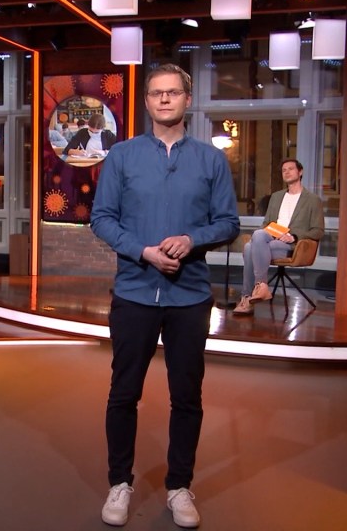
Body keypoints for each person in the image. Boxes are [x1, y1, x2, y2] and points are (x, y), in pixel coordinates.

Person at [90, 64, 239, 528]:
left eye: (173, 92)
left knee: (187, 397)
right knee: (123, 394)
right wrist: (144, 252)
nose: (165, 99)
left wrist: (192, 240)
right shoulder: (122, 156)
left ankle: (179, 486)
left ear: (187, 100)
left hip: (189, 296)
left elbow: (228, 222)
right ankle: (119, 482)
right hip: (135, 291)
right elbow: (102, 218)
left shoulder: (211, 160)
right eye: (157, 93)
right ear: (147, 101)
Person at [233, 159, 325, 315]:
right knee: (257, 237)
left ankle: (248, 298)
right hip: (270, 238)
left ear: (300, 172)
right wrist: (268, 233)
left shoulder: (312, 200)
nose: (287, 172)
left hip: (290, 245)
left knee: (249, 248)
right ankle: (260, 287)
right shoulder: (276, 197)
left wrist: (294, 237)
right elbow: (266, 223)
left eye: (290, 169)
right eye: (284, 170)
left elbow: (318, 230)